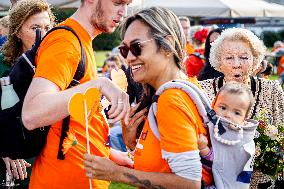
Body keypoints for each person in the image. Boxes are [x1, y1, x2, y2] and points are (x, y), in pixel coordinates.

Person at [84, 7, 213, 189]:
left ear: (167, 45)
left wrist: (116, 173)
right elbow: (162, 167)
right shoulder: (179, 89)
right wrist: (132, 144)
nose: (128, 57)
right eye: (124, 49)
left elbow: (190, 184)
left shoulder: (172, 100)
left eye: (136, 47)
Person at [21, 0, 131, 188]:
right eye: (118, 2)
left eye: (127, 4)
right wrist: (99, 85)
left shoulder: (81, 40)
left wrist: (110, 154)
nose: (123, 11)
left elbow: (74, 122)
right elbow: (32, 113)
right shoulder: (66, 41)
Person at [198, 28, 284, 189]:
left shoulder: (272, 90)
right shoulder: (203, 90)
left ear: (255, 60)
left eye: (244, 57)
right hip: (217, 181)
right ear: (219, 61)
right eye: (229, 58)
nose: (236, 64)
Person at [0, 0, 54, 187]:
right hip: (13, 165)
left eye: (48, 27)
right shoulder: (3, 65)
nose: (44, 35)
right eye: (35, 28)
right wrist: (4, 151)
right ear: (17, 32)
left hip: (50, 158)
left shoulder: (56, 64)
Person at [198, 82, 257, 188]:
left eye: (237, 113)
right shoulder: (212, 123)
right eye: (223, 108)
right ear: (213, 104)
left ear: (245, 118)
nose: (228, 115)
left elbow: (222, 163)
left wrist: (204, 149)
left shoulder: (240, 137)